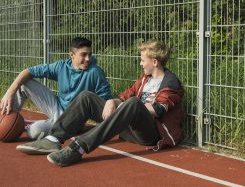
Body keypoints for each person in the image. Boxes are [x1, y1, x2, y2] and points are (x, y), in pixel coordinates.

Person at [16, 40, 184, 166]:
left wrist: (126, 106)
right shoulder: (144, 79)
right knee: (87, 97)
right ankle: (53, 138)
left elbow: (156, 110)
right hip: (128, 127)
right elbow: (126, 96)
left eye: (143, 60)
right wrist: (112, 101)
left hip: (150, 134)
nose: (140, 64)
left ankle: (79, 148)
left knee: (133, 104)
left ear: (154, 62)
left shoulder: (171, 83)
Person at [0, 37, 112, 139]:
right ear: (72, 55)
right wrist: (9, 92)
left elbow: (105, 103)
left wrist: (95, 126)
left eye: (90, 54)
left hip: (73, 117)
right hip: (57, 107)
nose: (88, 59)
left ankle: (70, 127)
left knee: (33, 132)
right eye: (83, 54)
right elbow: (28, 71)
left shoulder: (95, 72)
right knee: (24, 83)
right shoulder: (61, 66)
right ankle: (6, 118)